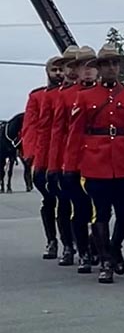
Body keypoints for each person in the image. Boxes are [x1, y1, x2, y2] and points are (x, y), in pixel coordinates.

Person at [64, 44, 124, 284]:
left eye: (115, 63)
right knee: (101, 213)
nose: (112, 68)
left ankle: (114, 247)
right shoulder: (85, 97)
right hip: (96, 162)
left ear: (120, 67)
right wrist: (69, 167)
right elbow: (75, 133)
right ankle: (105, 262)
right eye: (107, 64)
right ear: (99, 68)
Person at [50, 46, 99, 274]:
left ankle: (98, 246)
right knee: (77, 209)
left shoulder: (108, 93)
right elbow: (58, 132)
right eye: (82, 67)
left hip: (101, 161)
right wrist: (55, 166)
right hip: (74, 161)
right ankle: (81, 251)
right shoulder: (66, 96)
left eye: (92, 66)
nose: (87, 71)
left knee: (101, 209)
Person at [35, 45, 79, 266]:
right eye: (57, 69)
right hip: (55, 158)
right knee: (58, 202)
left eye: (67, 68)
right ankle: (60, 243)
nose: (62, 74)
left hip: (81, 156)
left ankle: (84, 244)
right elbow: (41, 131)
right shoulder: (45, 97)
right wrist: (37, 161)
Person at [21, 55, 63, 260]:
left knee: (70, 202)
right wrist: (31, 155)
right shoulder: (37, 97)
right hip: (43, 159)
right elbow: (30, 127)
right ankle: (52, 240)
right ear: (47, 72)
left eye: (61, 69)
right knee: (49, 200)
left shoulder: (75, 94)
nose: (58, 74)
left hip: (67, 156)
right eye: (54, 70)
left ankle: (72, 242)